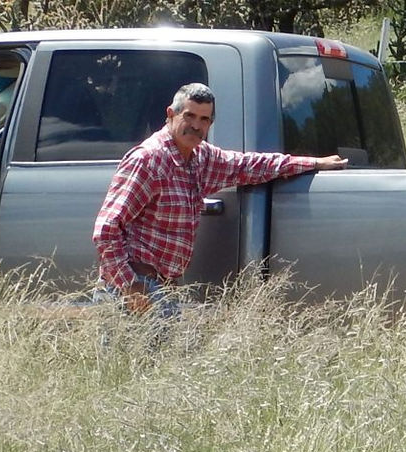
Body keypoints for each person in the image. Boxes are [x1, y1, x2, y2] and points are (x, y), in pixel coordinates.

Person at [92, 83, 348, 316]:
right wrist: (130, 286)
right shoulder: (150, 160)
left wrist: (314, 163)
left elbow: (250, 165)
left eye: (204, 119)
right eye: (189, 116)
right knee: (134, 365)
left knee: (159, 365)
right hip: (135, 284)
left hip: (163, 287)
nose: (196, 125)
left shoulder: (200, 158)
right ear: (171, 114)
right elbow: (106, 230)